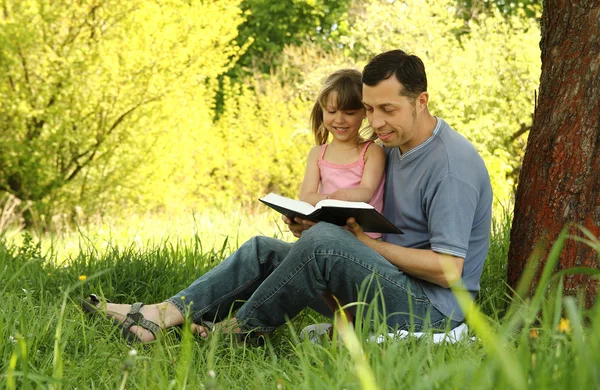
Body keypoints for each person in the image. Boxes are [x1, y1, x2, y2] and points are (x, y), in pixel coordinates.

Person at [81, 50, 492, 344]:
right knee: (265, 250)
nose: (375, 122)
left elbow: (449, 270)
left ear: (421, 101)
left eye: (387, 109)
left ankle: (237, 332)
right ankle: (161, 313)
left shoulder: (451, 166)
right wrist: (319, 220)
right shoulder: (394, 146)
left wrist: (357, 243)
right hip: (387, 281)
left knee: (325, 245)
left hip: (433, 311)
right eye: (368, 109)